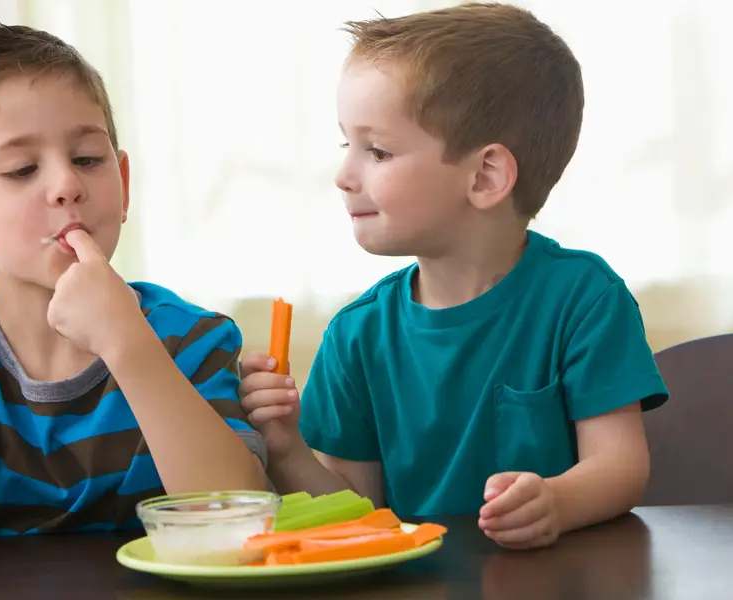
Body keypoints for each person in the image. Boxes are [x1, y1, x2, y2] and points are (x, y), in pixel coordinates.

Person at [239, 2, 668, 550]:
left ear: (486, 175)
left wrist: (557, 502)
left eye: (378, 150)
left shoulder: (584, 300)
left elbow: (621, 465)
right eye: (348, 145)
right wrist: (286, 448)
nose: (344, 176)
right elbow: (355, 509)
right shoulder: (355, 336)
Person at [0, 17, 267, 563]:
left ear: (122, 183)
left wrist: (128, 343)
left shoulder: (192, 338)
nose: (67, 186)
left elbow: (232, 518)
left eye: (87, 160)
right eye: (22, 168)